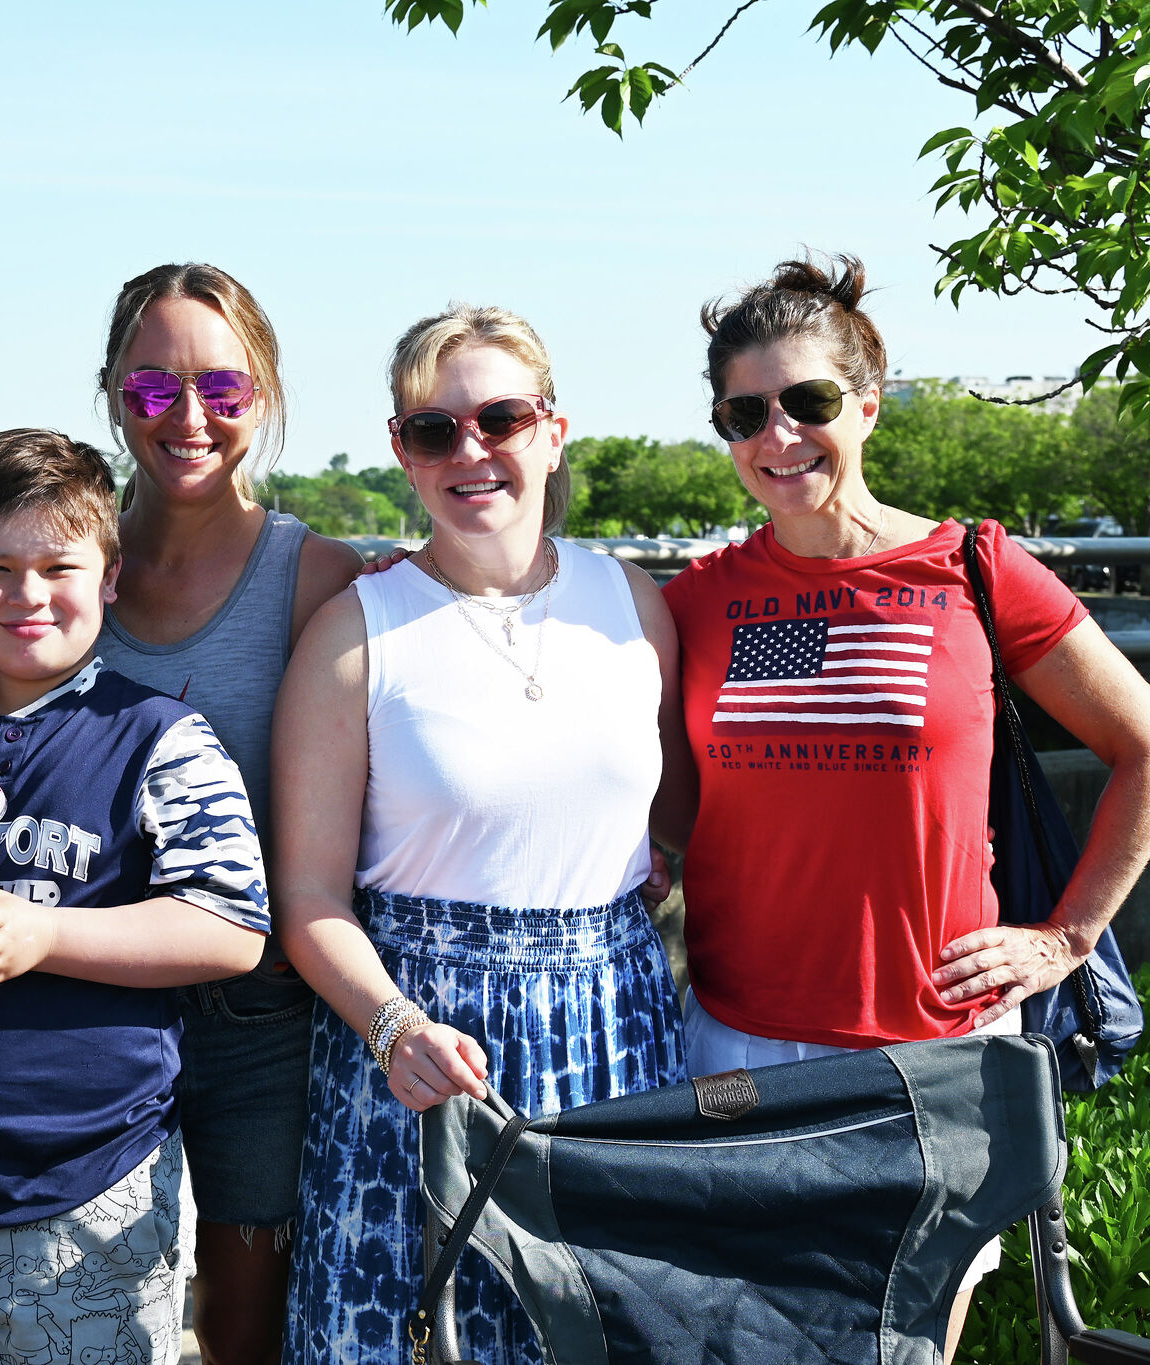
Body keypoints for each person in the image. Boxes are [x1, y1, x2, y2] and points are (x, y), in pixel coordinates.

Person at [660, 253, 1150, 1356]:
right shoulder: (697, 599)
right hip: (738, 1044)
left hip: (933, 1046)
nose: (776, 437)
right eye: (743, 413)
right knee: (745, 1336)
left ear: (866, 404)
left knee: (904, 1341)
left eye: (807, 402)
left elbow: (1141, 747)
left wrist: (1065, 936)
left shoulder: (972, 568)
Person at [275, 304, 689, 1364]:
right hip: (421, 1052)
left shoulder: (630, 603)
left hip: (615, 1039)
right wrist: (390, 1026)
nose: (469, 451)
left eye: (499, 419)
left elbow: (676, 826)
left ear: (552, 433)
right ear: (400, 455)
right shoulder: (353, 633)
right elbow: (309, 897)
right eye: (431, 430)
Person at [0, 427, 273, 1365]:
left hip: (94, 1195)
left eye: (57, 566)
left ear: (109, 577)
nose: (26, 594)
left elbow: (231, 928)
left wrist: (40, 933)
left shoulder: (159, 737)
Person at [90, 263, 362, 1365]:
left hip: (263, 1014)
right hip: (93, 998)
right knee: (99, 1311)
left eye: (222, 391)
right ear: (112, 394)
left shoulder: (315, 577)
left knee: (245, 1326)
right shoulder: (67, 565)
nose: (186, 419)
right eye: (152, 390)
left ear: (264, 394)